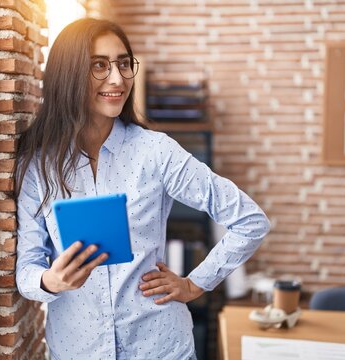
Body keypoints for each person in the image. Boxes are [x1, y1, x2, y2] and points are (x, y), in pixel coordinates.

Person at [15, 18, 270, 360]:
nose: (118, 78)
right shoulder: (39, 165)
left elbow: (250, 220)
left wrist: (195, 284)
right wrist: (50, 281)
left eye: (123, 63)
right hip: (76, 348)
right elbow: (27, 269)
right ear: (68, 73)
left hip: (160, 346)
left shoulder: (156, 151)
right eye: (99, 66)